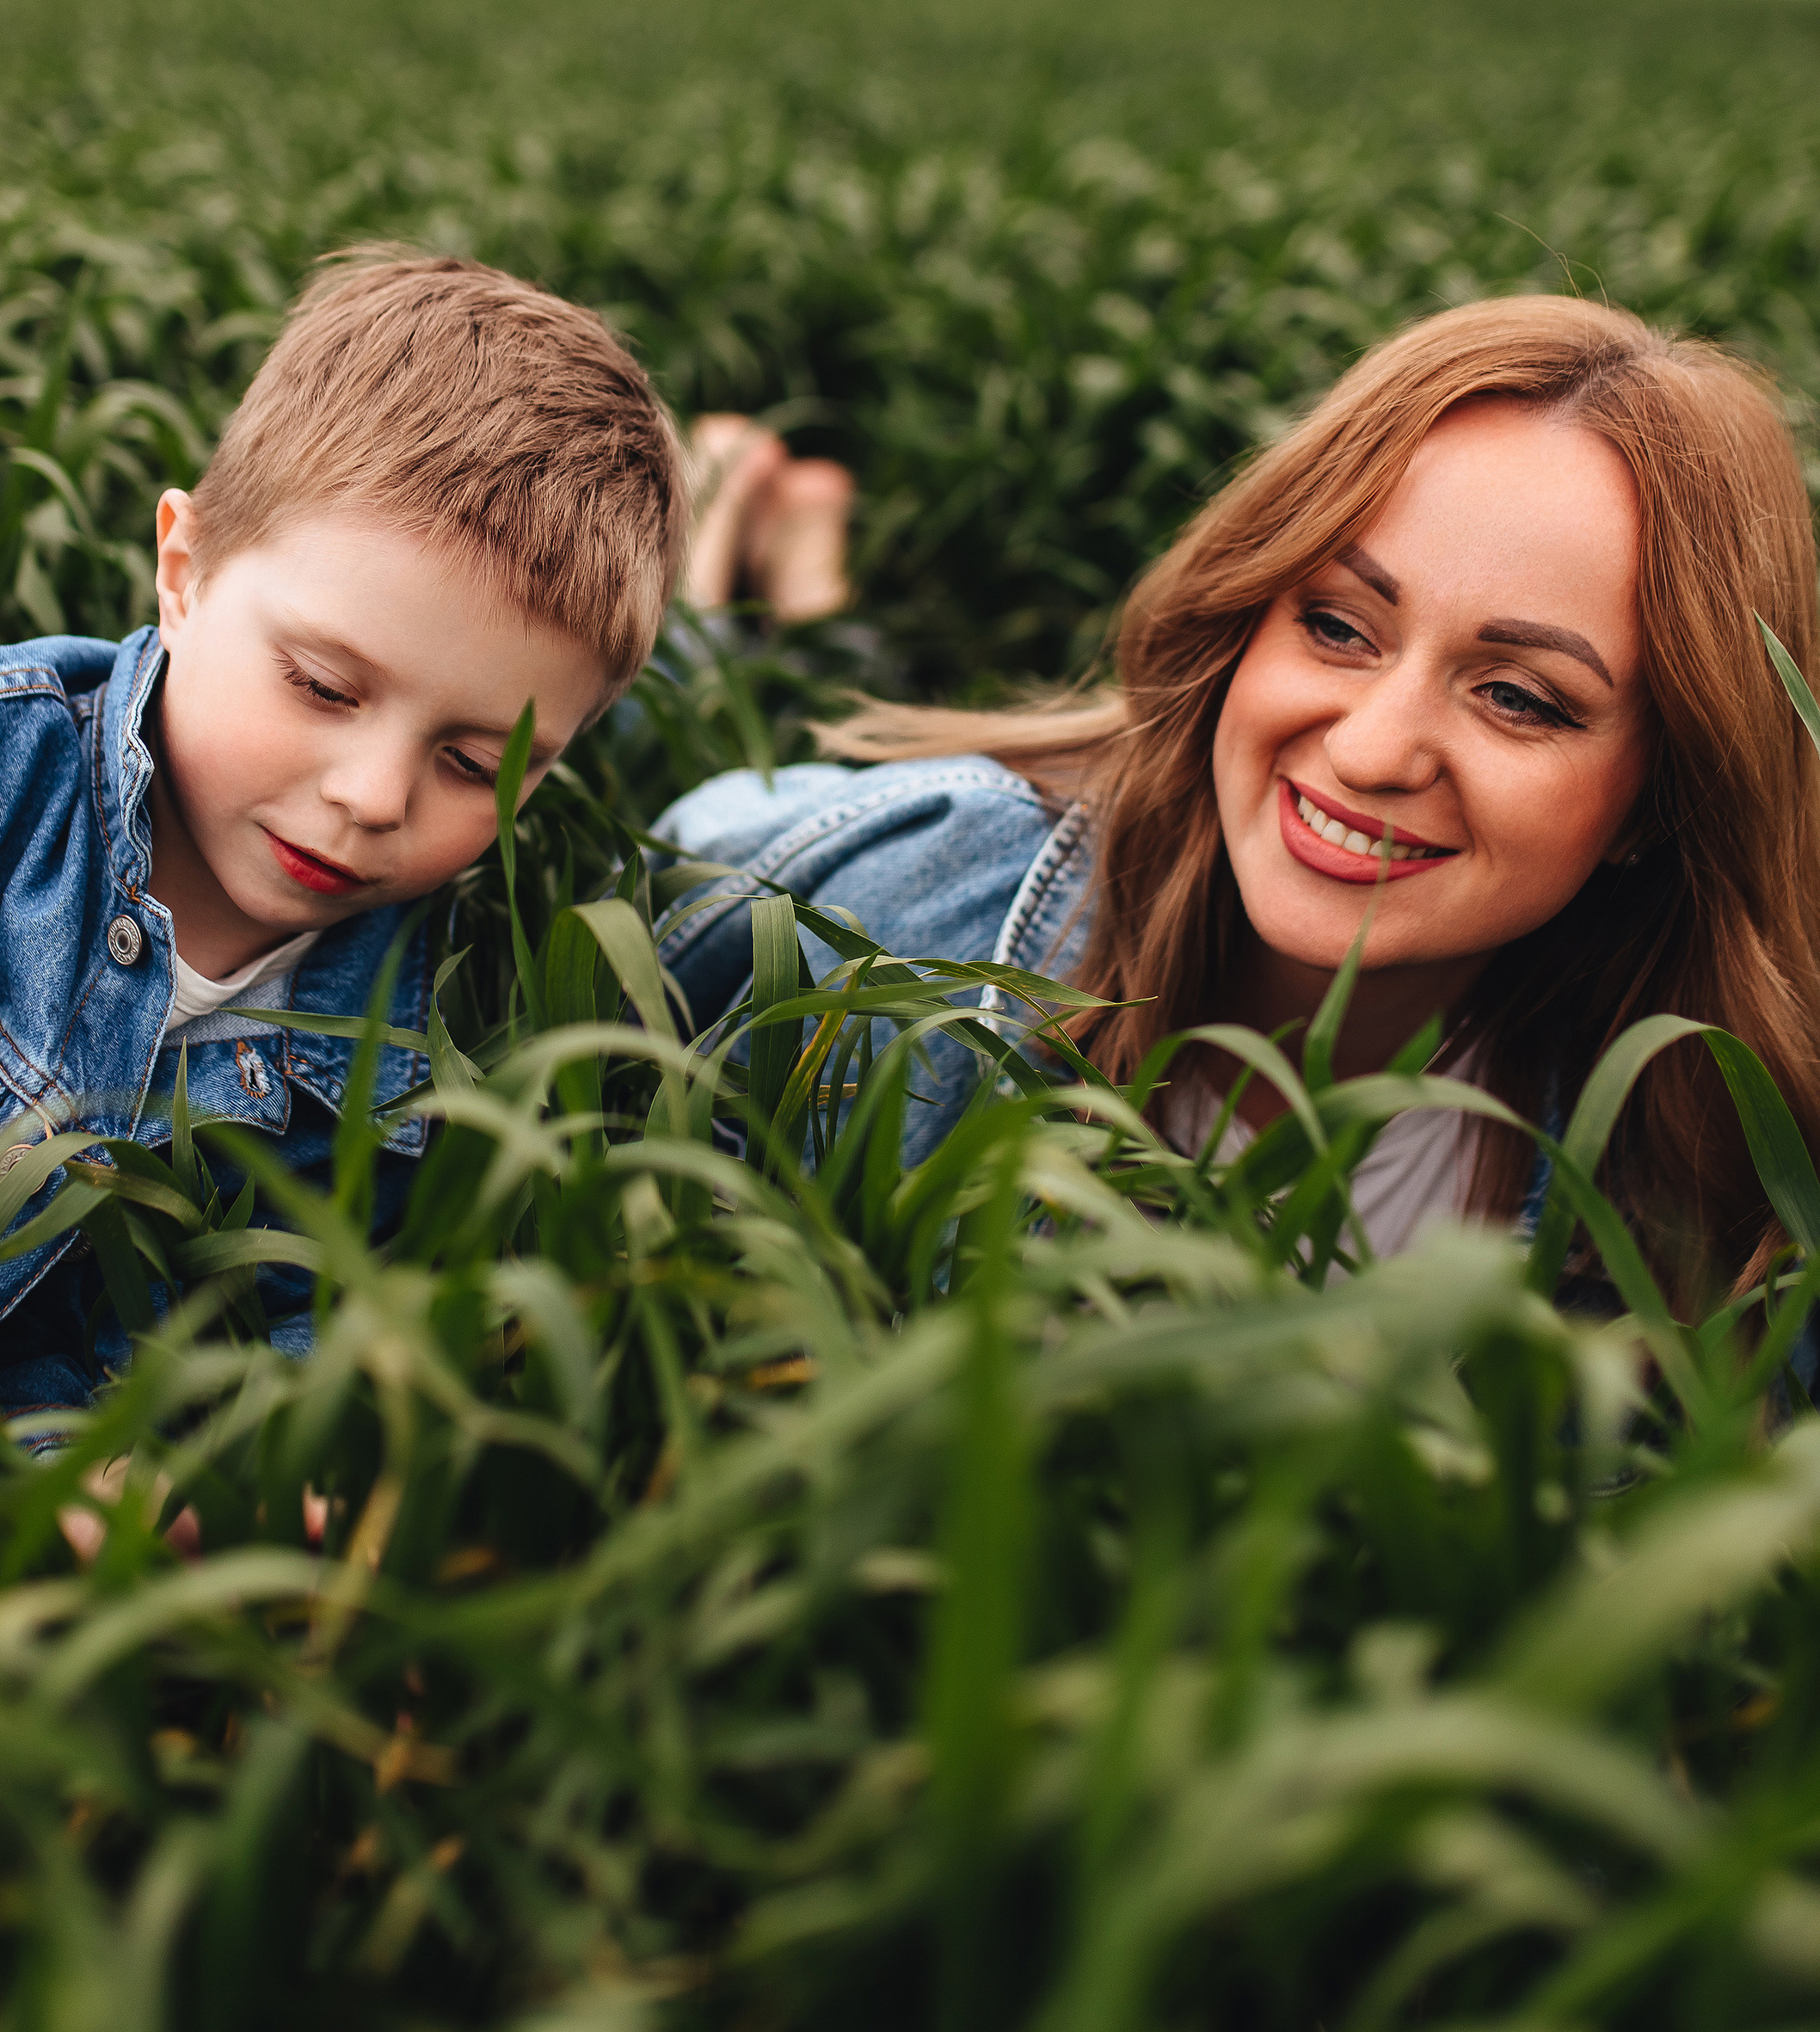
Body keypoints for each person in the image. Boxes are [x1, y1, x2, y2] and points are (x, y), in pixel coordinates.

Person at [0, 250, 689, 1452]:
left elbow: (214, 1374)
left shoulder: (406, 1071)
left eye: (477, 762)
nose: (373, 796)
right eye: (323, 686)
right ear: (183, 574)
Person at [659, 297, 1820, 1309]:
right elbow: (668, 853)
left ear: (1662, 804)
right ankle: (722, 576)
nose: (1369, 751)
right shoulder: (927, 893)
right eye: (1338, 625)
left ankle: (806, 577)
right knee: (707, 696)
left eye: (1518, 697)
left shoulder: (1726, 1186)